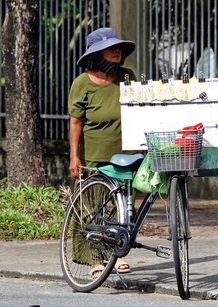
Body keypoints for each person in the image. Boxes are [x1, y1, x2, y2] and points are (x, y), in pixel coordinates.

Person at [67, 27, 137, 278]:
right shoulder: (82, 83)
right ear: (97, 53)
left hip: (125, 154)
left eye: (118, 47)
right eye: (111, 47)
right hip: (94, 154)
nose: (117, 50)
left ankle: (115, 255)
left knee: (121, 208)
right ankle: (96, 259)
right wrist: (74, 156)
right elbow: (76, 123)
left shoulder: (127, 76)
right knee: (93, 208)